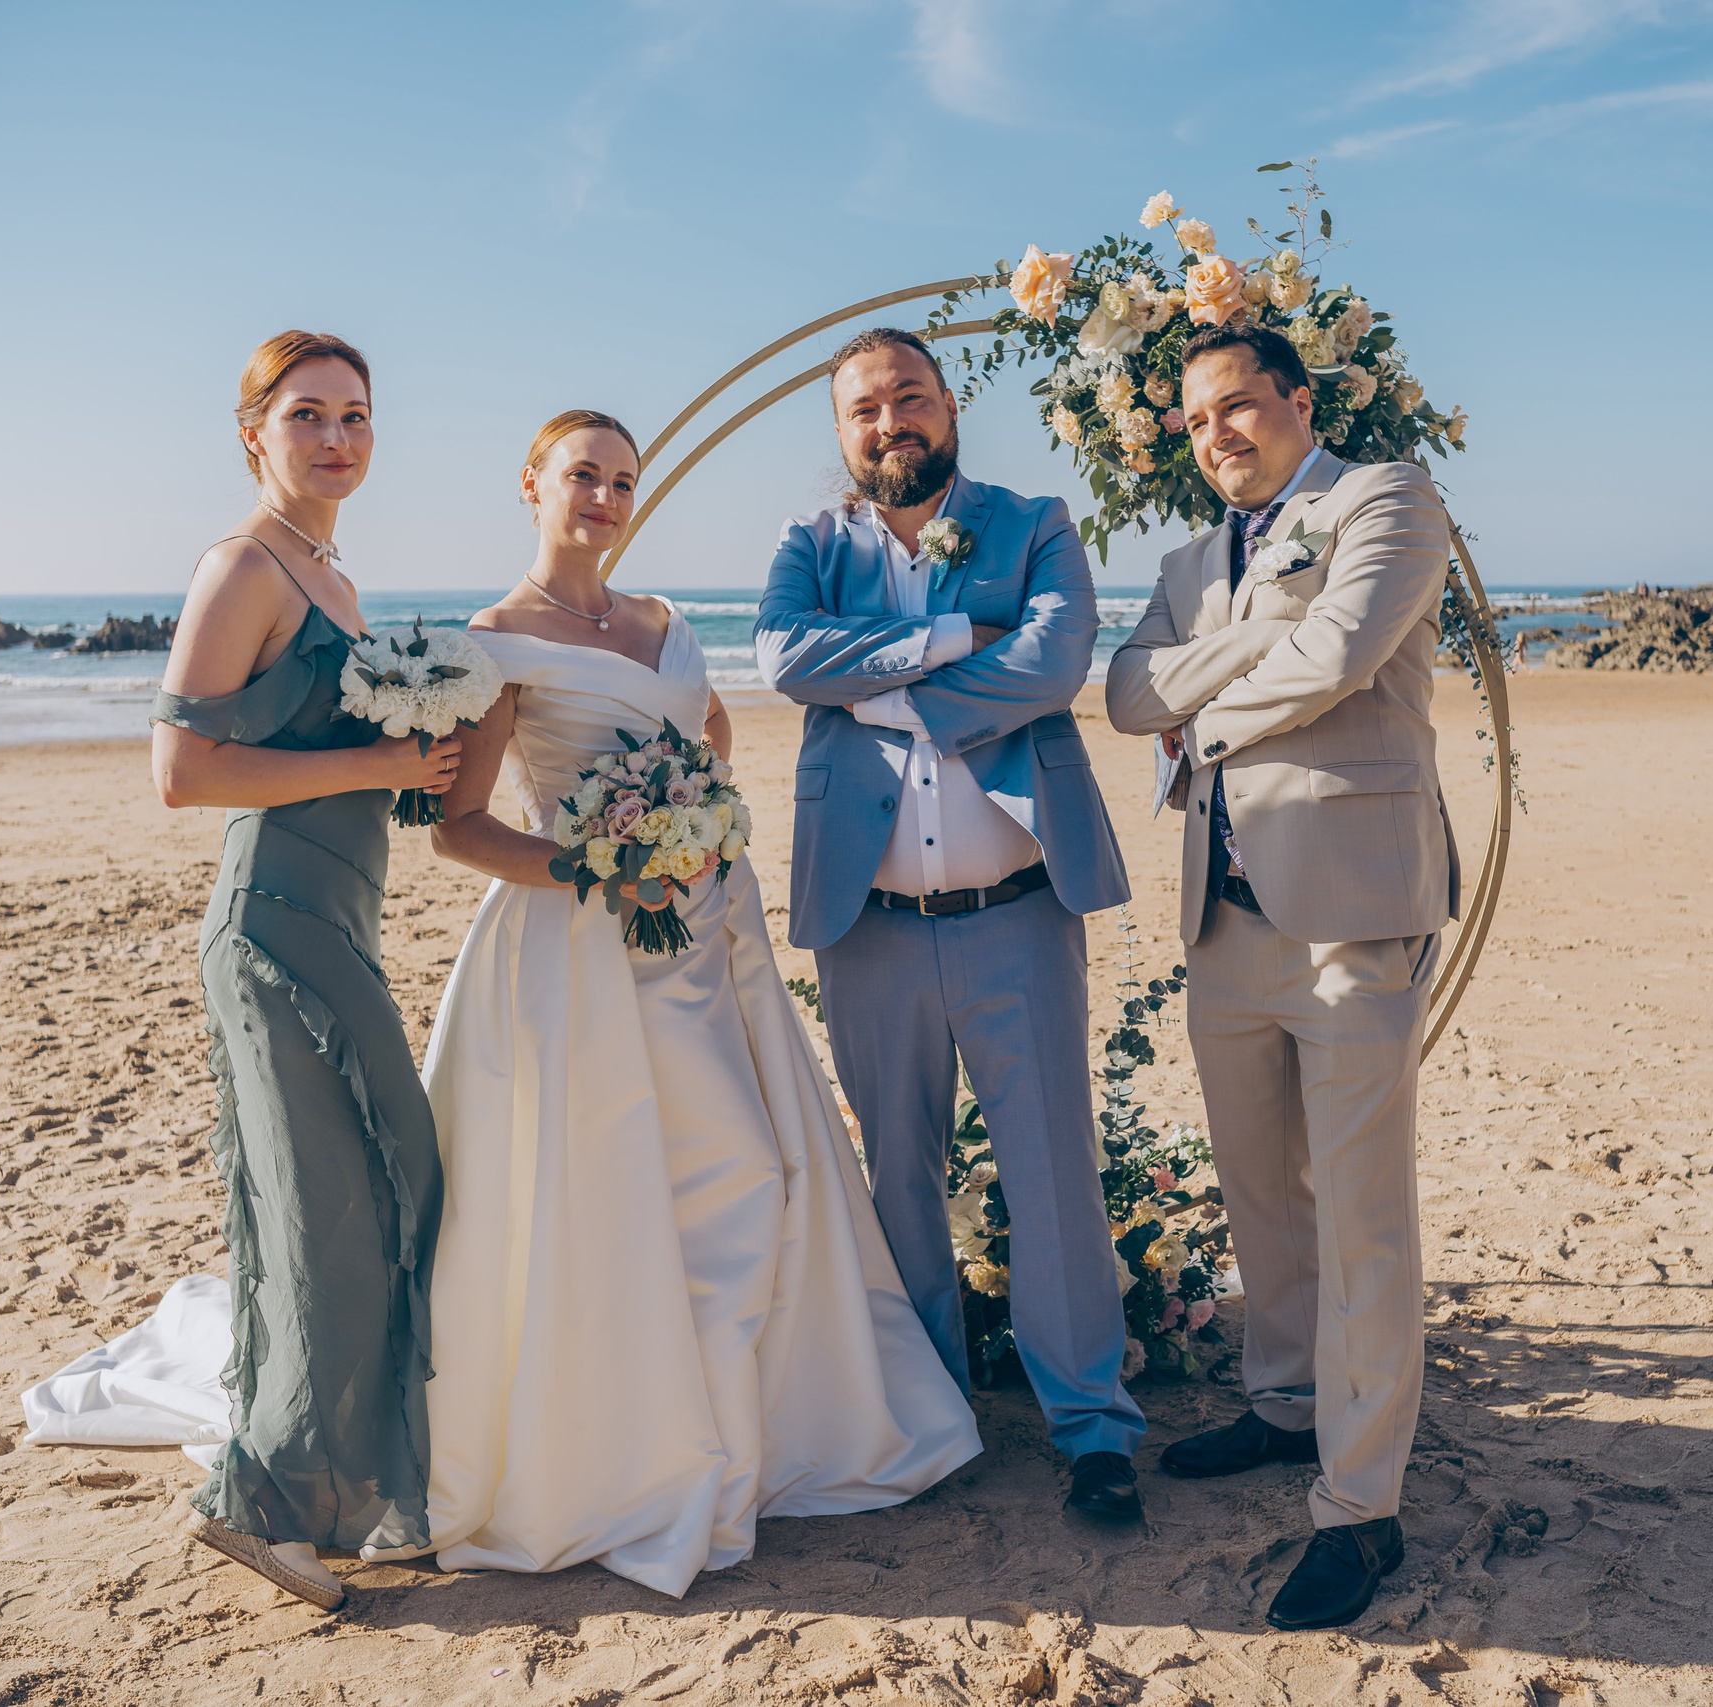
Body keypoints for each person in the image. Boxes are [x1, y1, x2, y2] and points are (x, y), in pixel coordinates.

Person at [409, 410, 979, 1597]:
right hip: (583, 952)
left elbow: (705, 738)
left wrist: (700, 820)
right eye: (584, 476)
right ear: (532, 484)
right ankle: (654, 1444)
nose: (606, 497)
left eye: (622, 480)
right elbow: (458, 832)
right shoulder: (494, 641)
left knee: (756, 1161)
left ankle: (756, 1424)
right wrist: (604, 865)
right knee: (662, 1175)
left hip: (710, 935)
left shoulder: (664, 621)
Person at [754, 329, 1146, 1522]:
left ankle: (1091, 1427)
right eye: (865, 409)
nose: (890, 422)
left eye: (908, 397)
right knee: (898, 1180)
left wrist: (876, 690)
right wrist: (943, 644)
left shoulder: (1033, 522)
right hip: (864, 922)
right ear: (841, 431)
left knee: (1052, 1176)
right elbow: (779, 656)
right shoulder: (808, 545)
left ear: (949, 404)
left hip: (1017, 915)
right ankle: (929, 1416)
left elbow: (1055, 659)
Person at [1105, 321, 1459, 1632]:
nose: (1219, 437)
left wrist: (1209, 705)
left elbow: (1347, 651)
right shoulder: (1188, 558)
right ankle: (1286, 1404)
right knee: (1261, 1190)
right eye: (1197, 423)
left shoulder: (1390, 495)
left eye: (1240, 407)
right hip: (1225, 918)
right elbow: (1129, 693)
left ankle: (1363, 1505)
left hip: (1354, 914)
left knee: (1364, 1212)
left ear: (1300, 400)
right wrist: (1249, 647)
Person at [149, 332, 453, 1611]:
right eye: (309, 415)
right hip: (271, 923)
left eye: (357, 416)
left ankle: (352, 1491)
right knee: (326, 1213)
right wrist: (373, 766)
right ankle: (269, 1508)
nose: (337, 438)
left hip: (341, 916)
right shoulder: (245, 567)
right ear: (253, 433)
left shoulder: (332, 575)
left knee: (390, 1185)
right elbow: (182, 770)